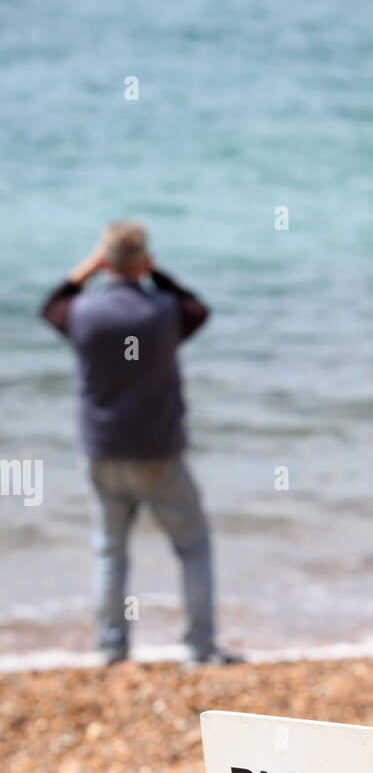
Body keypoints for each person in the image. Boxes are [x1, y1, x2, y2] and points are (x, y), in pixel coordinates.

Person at [39, 220, 236, 666]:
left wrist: (89, 268)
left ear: (104, 261)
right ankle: (200, 649)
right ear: (144, 261)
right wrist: (155, 273)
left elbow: (51, 304)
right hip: (158, 453)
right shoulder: (164, 312)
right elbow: (198, 308)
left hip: (101, 451)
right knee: (192, 547)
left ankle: (112, 648)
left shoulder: (82, 314)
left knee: (109, 550)